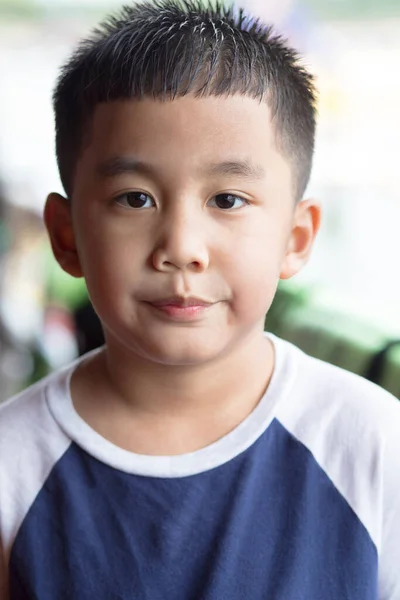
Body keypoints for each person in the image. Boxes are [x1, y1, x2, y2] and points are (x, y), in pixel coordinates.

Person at [0, 1, 399, 598]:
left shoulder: (370, 445)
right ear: (66, 236)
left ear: (296, 238)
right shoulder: (12, 466)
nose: (182, 248)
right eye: (135, 199)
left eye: (228, 200)